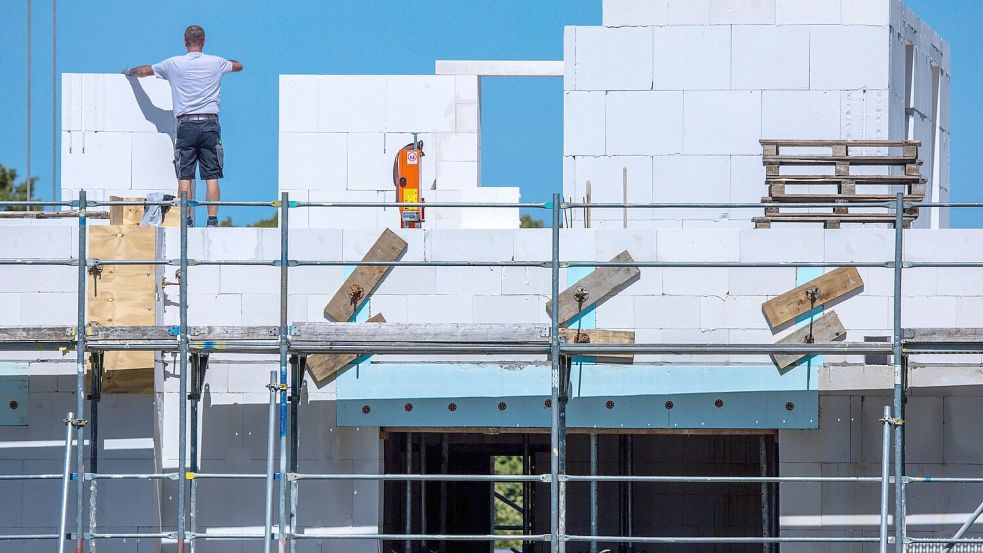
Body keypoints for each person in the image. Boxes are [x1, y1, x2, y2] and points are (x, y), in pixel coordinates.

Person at [123, 25, 243, 227]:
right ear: (203, 42)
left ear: (185, 42)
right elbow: (238, 66)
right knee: (212, 176)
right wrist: (225, 64)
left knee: (185, 176)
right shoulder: (216, 63)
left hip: (186, 124)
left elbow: (145, 71)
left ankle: (186, 220)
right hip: (210, 123)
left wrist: (130, 72)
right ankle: (212, 220)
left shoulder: (173, 64)